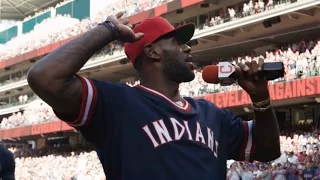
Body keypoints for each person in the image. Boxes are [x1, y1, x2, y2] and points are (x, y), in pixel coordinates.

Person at [27, 12, 280, 179]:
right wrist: (108, 30)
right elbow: (44, 78)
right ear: (152, 52)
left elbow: (267, 150)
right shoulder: (117, 104)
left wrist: (260, 99)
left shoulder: (212, 114)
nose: (187, 47)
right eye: (176, 41)